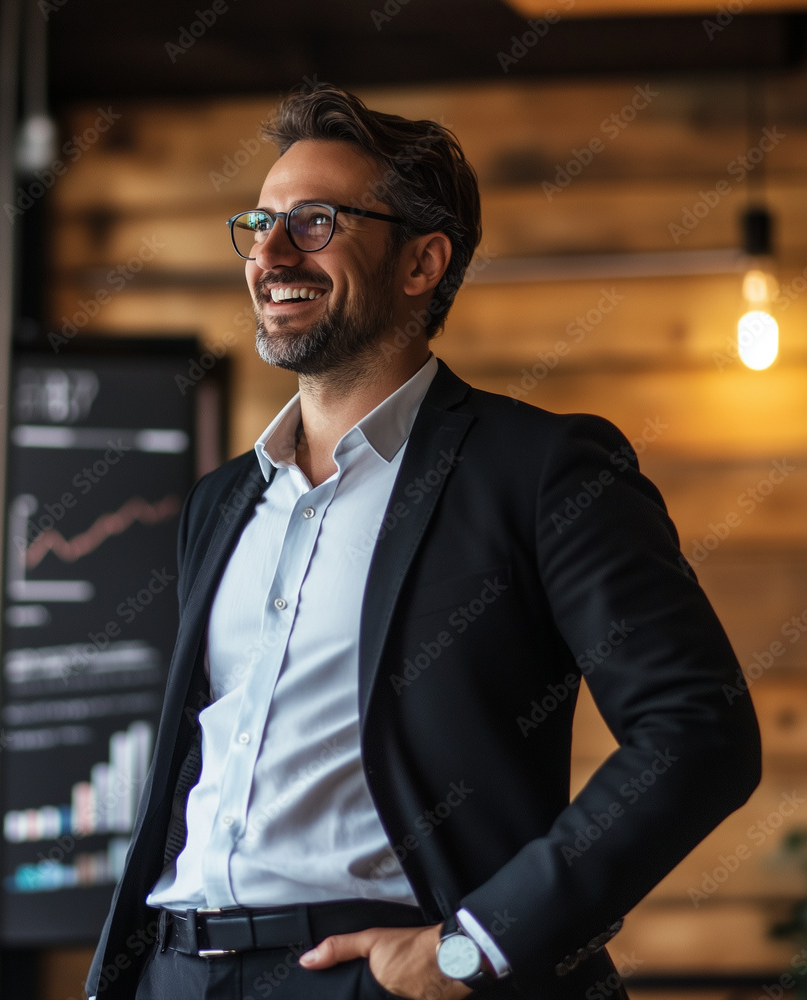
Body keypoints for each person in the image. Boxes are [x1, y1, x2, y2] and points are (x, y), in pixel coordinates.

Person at [86, 85, 761, 1000]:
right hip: (175, 969)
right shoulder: (220, 502)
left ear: (421, 262)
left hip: (379, 978)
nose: (271, 255)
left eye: (315, 222)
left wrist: (477, 947)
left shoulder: (541, 470)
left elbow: (699, 732)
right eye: (260, 223)